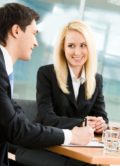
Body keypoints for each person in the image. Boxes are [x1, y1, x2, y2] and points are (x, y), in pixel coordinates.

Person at [0, 3, 93, 166]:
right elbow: (17, 130)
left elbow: (17, 118)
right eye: (34, 34)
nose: (36, 42)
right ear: (16, 31)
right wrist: (72, 136)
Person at [15, 20, 108, 166]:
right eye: (71, 46)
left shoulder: (96, 79)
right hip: (47, 146)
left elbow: (101, 116)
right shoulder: (47, 74)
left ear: (90, 48)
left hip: (79, 150)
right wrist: (82, 123)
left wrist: (100, 124)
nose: (77, 52)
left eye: (83, 45)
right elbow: (47, 118)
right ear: (62, 49)